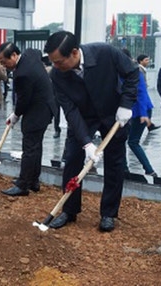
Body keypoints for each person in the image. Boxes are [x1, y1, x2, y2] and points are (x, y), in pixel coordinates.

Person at [44, 31, 138, 232]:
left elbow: (132, 73)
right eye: (53, 62)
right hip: (83, 118)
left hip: (113, 115)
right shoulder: (58, 75)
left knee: (115, 163)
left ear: (75, 53)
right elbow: (69, 110)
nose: (56, 67)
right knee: (72, 161)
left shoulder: (105, 53)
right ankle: (69, 210)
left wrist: (126, 104)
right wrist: (86, 143)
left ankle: (108, 214)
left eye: (59, 62)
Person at [0, 42, 54, 196]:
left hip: (38, 110)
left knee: (29, 148)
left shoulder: (22, 74)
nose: (3, 65)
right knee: (36, 146)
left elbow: (23, 100)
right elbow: (37, 52)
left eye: (4, 62)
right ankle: (33, 181)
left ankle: (23, 185)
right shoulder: (30, 53)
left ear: (14, 55)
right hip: (47, 106)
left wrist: (15, 115)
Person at [122, 50, 157, 178]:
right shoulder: (118, 72)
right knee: (121, 140)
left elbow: (142, 93)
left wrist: (143, 114)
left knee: (133, 141)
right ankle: (124, 169)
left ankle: (149, 170)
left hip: (141, 111)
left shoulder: (135, 72)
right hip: (128, 111)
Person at [136, 54, 160, 132]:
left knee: (148, 108)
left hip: (143, 91)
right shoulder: (139, 70)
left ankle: (149, 124)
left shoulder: (143, 69)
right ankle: (148, 124)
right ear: (140, 61)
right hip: (141, 92)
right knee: (147, 108)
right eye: (146, 60)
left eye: (148, 60)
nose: (148, 62)